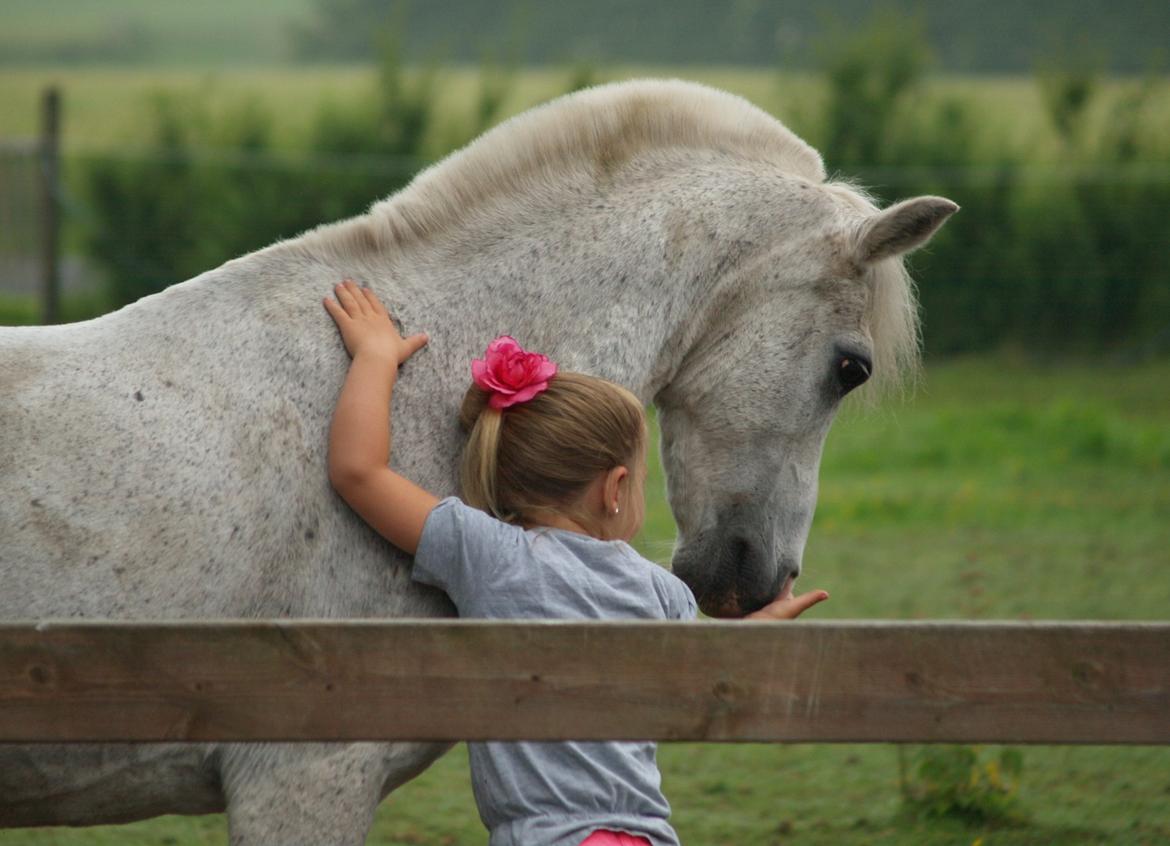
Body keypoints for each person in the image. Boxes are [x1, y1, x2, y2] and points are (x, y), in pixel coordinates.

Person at [323, 279, 829, 846]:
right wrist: (761, 628)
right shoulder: (662, 594)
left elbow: (358, 471)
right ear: (614, 489)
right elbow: (706, 674)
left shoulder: (489, 556)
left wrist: (375, 356)